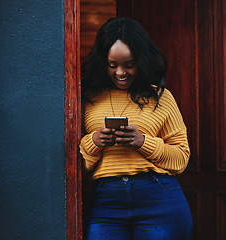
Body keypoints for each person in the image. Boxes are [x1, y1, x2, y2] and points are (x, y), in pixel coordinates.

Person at [80, 17, 193, 240]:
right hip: (106, 203)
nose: (120, 72)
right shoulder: (86, 98)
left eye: (129, 64)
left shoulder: (162, 97)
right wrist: (94, 141)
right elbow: (73, 168)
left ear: (141, 60)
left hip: (158, 198)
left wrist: (142, 142)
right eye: (112, 65)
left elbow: (181, 158)